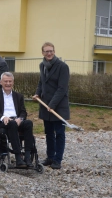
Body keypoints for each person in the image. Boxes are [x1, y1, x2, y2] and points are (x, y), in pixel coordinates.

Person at [32, 42, 70, 170]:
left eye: (51, 51)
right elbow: (41, 82)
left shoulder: (62, 66)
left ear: (54, 51)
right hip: (45, 105)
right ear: (42, 52)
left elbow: (62, 89)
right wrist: (37, 93)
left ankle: (57, 160)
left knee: (59, 133)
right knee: (48, 133)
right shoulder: (42, 65)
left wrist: (52, 105)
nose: (49, 53)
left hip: (58, 106)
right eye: (46, 51)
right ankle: (50, 157)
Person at [0, 72, 34, 168]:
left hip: (16, 120)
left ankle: (27, 156)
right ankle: (18, 157)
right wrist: (3, 117)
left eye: (10, 81)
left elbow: (23, 111)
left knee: (29, 123)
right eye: (5, 81)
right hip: (2, 121)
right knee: (12, 124)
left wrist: (20, 118)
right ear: (1, 82)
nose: (8, 83)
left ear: (13, 82)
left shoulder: (18, 96)